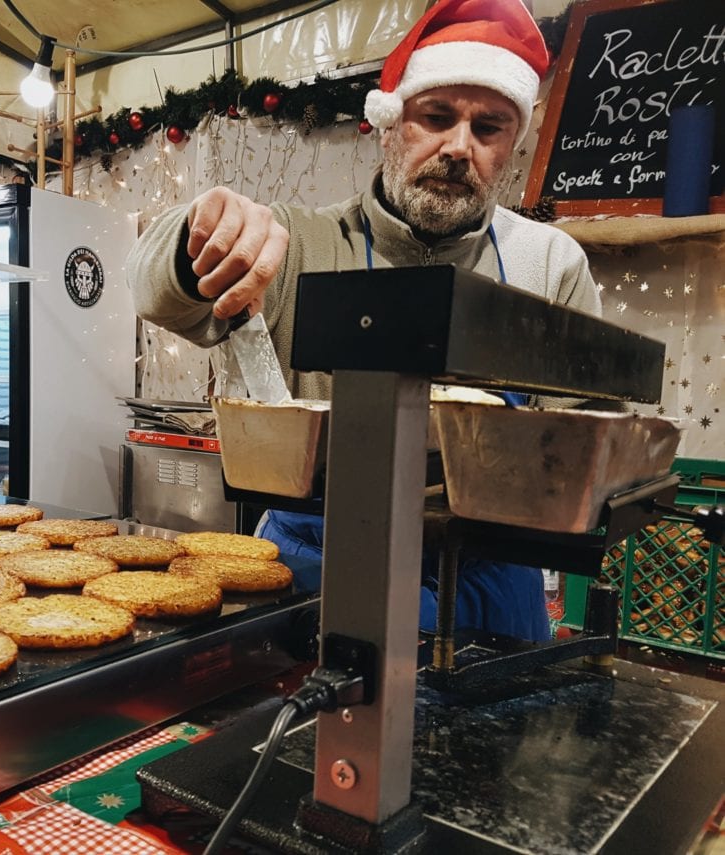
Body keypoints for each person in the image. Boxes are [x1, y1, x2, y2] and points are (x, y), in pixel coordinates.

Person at [125, 0, 604, 642]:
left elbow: (579, 436)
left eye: (489, 128)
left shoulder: (548, 263)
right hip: (320, 561)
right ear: (388, 125)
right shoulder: (298, 242)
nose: (459, 147)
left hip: (491, 578)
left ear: (512, 144)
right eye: (437, 117)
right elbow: (154, 293)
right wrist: (198, 235)